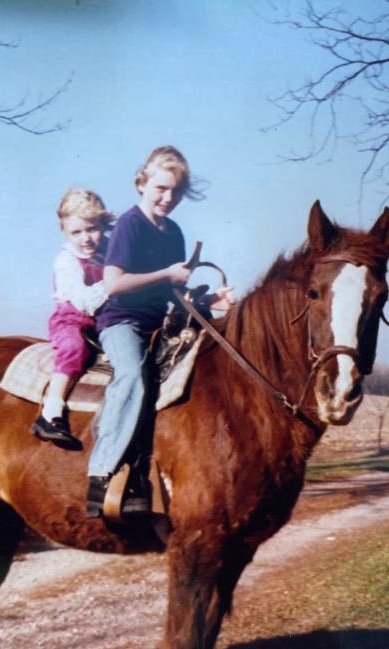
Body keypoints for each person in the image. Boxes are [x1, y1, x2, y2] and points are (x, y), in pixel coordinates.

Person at [86, 146, 236, 517]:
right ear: (142, 183)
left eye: (176, 192)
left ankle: (147, 475)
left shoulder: (174, 233)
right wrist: (168, 274)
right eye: (161, 189)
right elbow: (114, 283)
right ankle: (100, 473)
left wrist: (210, 301)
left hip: (157, 323)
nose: (168, 198)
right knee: (133, 375)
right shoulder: (129, 224)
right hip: (121, 321)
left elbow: (174, 295)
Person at [32, 188, 114, 451]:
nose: (86, 239)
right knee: (73, 349)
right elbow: (86, 303)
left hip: (103, 322)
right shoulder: (66, 261)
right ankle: (51, 412)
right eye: (76, 232)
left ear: (103, 226)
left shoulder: (109, 249)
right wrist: (114, 283)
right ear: (65, 232)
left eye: (92, 229)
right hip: (73, 319)